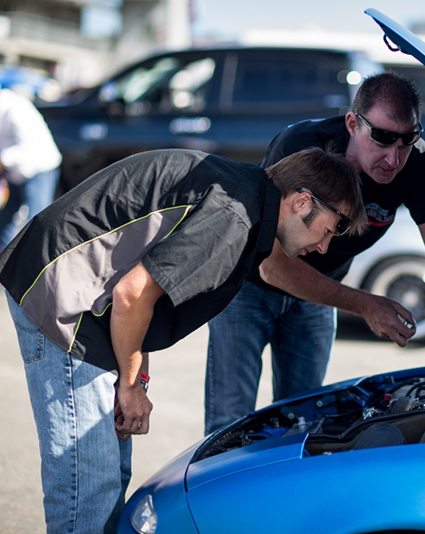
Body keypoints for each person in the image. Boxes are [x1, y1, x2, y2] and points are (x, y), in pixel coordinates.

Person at [0, 147, 366, 534]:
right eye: (330, 229)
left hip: (90, 300)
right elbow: (133, 294)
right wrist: (128, 384)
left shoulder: (245, 196)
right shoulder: (234, 217)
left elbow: (144, 290)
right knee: (88, 487)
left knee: (109, 475)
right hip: (65, 295)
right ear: (302, 201)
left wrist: (137, 378)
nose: (324, 247)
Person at [204, 72, 425, 435]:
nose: (394, 158)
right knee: (230, 423)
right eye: (382, 138)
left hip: (319, 294)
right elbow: (274, 266)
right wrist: (365, 304)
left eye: (408, 140)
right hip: (250, 286)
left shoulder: (417, 163)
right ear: (352, 123)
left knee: (304, 423)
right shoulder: (302, 145)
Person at [0, 87, 62, 250]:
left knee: (38, 220)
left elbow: (30, 146)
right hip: (15, 172)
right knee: (4, 222)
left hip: (40, 168)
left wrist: (3, 160)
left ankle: (37, 261)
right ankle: (4, 263)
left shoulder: (15, 109)